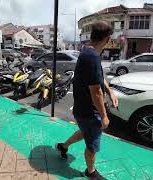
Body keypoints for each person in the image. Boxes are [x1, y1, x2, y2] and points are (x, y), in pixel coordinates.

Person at [56, 21, 118, 179]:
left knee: (84, 133)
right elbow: (96, 91)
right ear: (108, 39)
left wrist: (110, 92)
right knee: (92, 146)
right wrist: (104, 116)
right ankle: (90, 172)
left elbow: (98, 79)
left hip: (82, 111)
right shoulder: (92, 57)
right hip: (90, 113)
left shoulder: (87, 53)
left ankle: (63, 146)